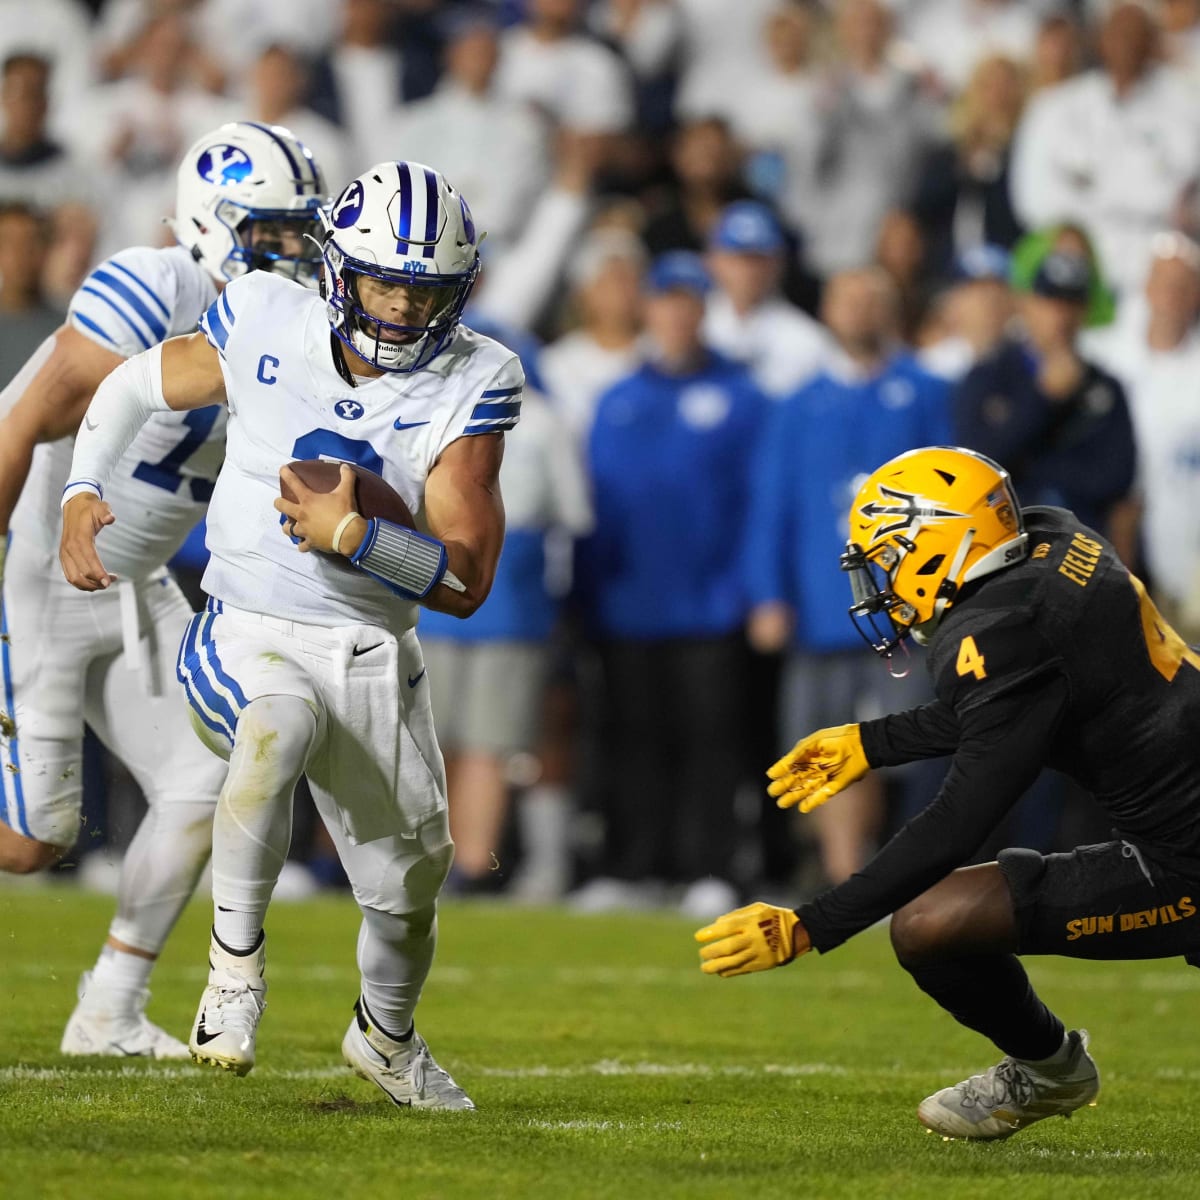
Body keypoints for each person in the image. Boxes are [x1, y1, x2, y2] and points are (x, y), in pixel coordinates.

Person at [59, 160, 522, 1110]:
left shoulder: (475, 378)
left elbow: (467, 581)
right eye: (384, 281)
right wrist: (81, 488)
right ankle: (233, 975)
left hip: (369, 651)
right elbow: (135, 385)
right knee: (275, 727)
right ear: (337, 269)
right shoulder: (265, 313)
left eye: (422, 289)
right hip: (243, 623)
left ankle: (386, 1037)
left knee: (407, 889)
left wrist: (356, 537)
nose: (398, 308)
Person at [697, 443, 1200, 1140]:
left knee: (929, 920)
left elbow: (960, 816)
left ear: (940, 545)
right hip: (1168, 838)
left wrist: (814, 923)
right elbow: (1022, 702)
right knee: (934, 921)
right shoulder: (1054, 537)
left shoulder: (1001, 632)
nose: (883, 585)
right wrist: (871, 743)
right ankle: (1052, 1070)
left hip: (1186, 860)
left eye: (890, 559)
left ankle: (1051, 1073)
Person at [0, 122, 327, 1059]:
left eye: (299, 233)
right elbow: (19, 426)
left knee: (210, 779)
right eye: (270, 233)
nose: (291, 253)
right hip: (36, 567)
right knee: (30, 845)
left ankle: (107, 1007)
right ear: (209, 223)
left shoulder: (288, 329)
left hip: (134, 584)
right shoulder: (155, 285)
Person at [573, 251, 767, 917]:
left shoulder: (743, 398)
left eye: (689, 300)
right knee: (632, 741)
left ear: (704, 308)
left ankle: (709, 868)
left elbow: (759, 503)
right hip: (628, 605)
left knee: (713, 744)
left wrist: (753, 589)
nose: (678, 312)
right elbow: (594, 508)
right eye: (666, 299)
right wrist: (588, 594)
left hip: (712, 605)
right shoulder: (618, 399)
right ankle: (632, 868)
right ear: (648, 309)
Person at [744, 267, 951, 887]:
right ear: (828, 310)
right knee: (825, 745)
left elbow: (953, 498)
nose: (859, 310)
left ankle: (895, 867)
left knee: (908, 747)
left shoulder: (926, 392)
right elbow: (770, 505)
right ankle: (845, 871)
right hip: (820, 606)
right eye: (848, 297)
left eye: (872, 297)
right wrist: (769, 595)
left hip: (906, 611)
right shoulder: (798, 404)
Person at [953, 250, 1138, 561]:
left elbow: (1115, 478)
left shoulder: (1104, 387)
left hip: (1085, 554)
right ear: (1026, 305)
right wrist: (1042, 399)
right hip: (1005, 555)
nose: (1061, 315)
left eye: (1072, 303)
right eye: (1051, 300)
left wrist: (1031, 470)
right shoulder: (989, 376)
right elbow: (976, 465)